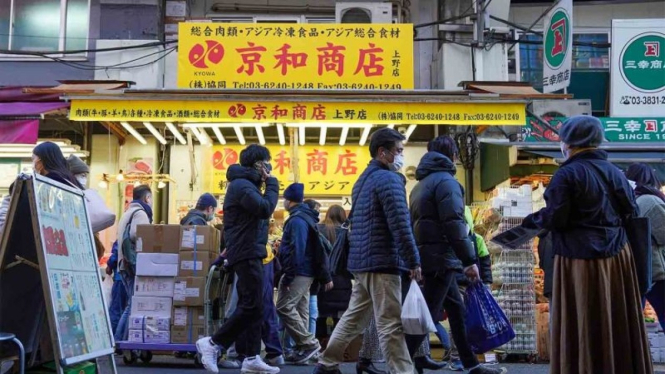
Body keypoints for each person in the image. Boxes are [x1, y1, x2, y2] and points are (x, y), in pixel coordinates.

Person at [521, 116, 652, 374]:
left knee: (582, 317)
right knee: (614, 316)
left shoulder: (567, 174)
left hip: (579, 256)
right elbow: (631, 212)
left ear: (568, 143)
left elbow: (557, 217)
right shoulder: (616, 172)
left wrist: (530, 222)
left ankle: (583, 367)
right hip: (618, 257)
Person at [313, 127, 421, 374]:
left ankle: (327, 363)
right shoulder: (389, 180)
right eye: (399, 151)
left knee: (354, 317)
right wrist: (413, 260)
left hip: (362, 264)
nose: (402, 156)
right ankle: (403, 371)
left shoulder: (362, 180)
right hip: (383, 262)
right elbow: (400, 224)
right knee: (390, 324)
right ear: (383, 153)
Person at [409, 136, 505, 374]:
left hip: (431, 256)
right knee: (429, 313)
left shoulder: (420, 185)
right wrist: (469, 261)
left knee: (456, 311)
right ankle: (400, 361)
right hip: (442, 258)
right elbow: (455, 224)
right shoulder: (447, 182)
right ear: (451, 155)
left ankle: (470, 363)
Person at [196, 144, 280, 374]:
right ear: (257, 164)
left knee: (254, 305)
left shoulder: (247, 185)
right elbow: (264, 209)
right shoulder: (242, 186)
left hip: (250, 250)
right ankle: (213, 343)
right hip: (246, 251)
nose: (269, 167)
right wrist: (272, 183)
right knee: (252, 305)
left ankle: (251, 357)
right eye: (266, 162)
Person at [276, 184, 329, 365]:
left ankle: (308, 343)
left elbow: (296, 248)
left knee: (284, 306)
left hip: (299, 271)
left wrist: (289, 274)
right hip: (307, 271)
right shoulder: (306, 217)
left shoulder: (297, 220)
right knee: (301, 309)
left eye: (284, 199)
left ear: (289, 200)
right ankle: (304, 351)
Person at [626, 163, 665, 331]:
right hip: (655, 269)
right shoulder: (651, 201)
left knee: (633, 316)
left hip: (635, 267)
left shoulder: (631, 201)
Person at [115, 184, 153, 341]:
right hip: (133, 264)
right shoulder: (141, 213)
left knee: (131, 303)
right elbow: (135, 234)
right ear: (146, 198)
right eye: (151, 199)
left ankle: (122, 340)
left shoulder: (128, 212)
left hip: (123, 263)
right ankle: (119, 341)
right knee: (133, 304)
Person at [315, 205, 352, 345]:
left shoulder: (319, 229)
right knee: (340, 314)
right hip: (343, 279)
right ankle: (337, 343)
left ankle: (321, 342)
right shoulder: (346, 232)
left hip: (323, 279)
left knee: (321, 313)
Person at [106, 241, 128, 335]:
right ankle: (122, 336)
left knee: (116, 310)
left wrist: (109, 266)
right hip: (130, 279)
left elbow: (115, 256)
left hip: (119, 279)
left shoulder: (122, 237)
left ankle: (113, 337)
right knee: (126, 310)